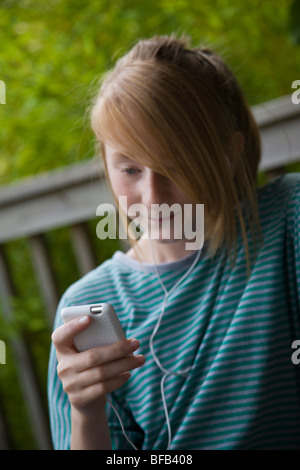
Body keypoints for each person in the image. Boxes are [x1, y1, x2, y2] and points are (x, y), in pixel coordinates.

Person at [48, 34, 300, 450]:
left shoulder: (285, 221)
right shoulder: (91, 302)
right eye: (130, 169)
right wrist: (86, 411)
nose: (152, 197)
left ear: (228, 152)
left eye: (175, 165)